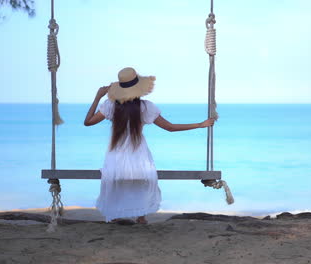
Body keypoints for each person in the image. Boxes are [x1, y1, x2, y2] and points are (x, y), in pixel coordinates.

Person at [83, 67, 215, 224]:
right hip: (139, 155)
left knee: (118, 181)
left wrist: (98, 96)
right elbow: (170, 128)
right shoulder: (146, 107)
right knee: (142, 183)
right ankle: (141, 216)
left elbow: (88, 122)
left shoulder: (110, 106)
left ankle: (118, 216)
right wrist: (200, 124)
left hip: (115, 156)